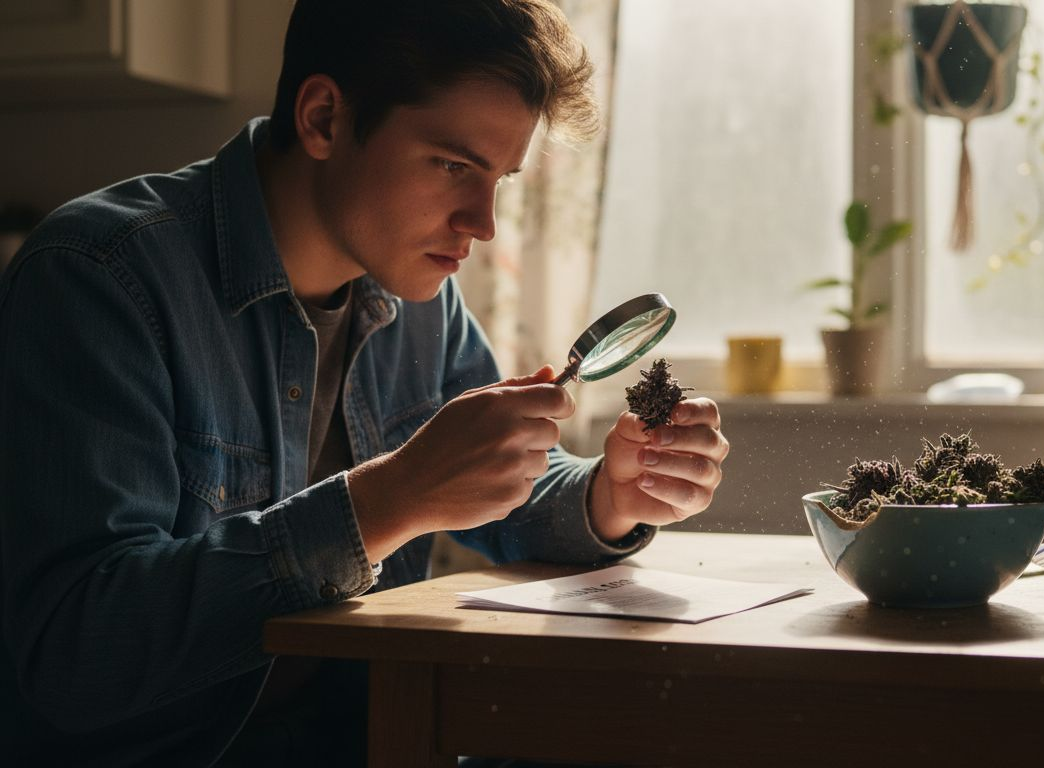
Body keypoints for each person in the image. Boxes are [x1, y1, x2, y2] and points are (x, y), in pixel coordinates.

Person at [0, 1, 729, 765]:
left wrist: (609, 495)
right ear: (322, 118)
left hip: (369, 734)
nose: (482, 223)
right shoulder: (100, 279)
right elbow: (78, 656)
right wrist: (391, 498)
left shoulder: (419, 297)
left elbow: (503, 491)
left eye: (500, 178)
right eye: (454, 165)